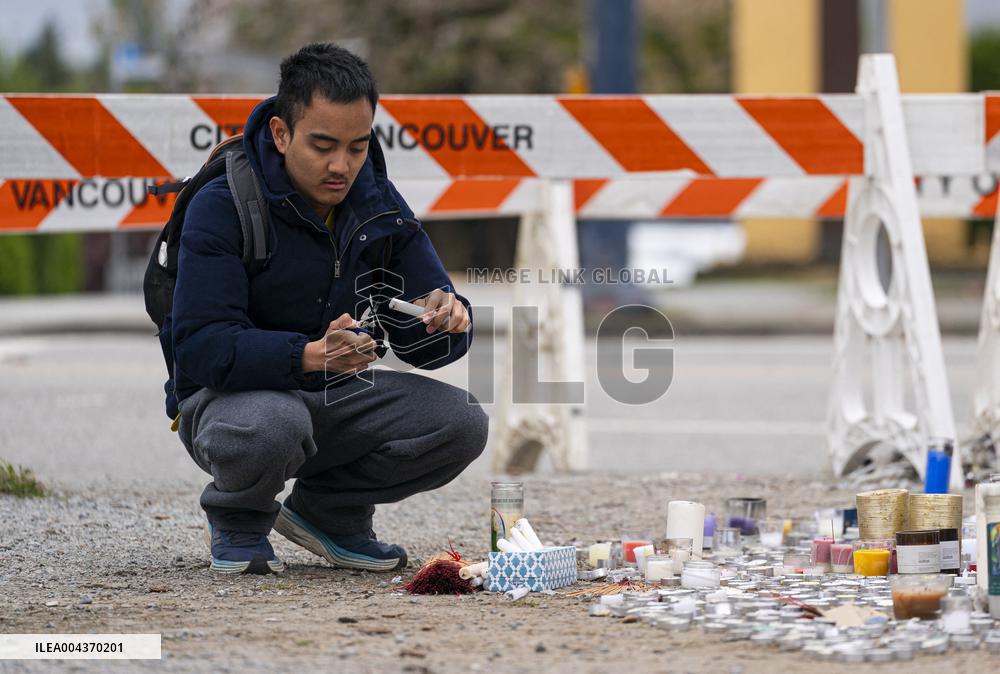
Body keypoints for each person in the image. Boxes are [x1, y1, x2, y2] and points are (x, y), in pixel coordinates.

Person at [170, 43, 488, 575]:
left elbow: (424, 342)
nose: (341, 166)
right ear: (280, 133)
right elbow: (200, 347)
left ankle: (329, 513)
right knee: (277, 421)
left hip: (334, 393)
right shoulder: (223, 203)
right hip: (229, 401)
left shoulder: (377, 202)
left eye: (357, 147)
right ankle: (239, 518)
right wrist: (309, 355)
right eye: (322, 146)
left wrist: (448, 317)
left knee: (462, 422)